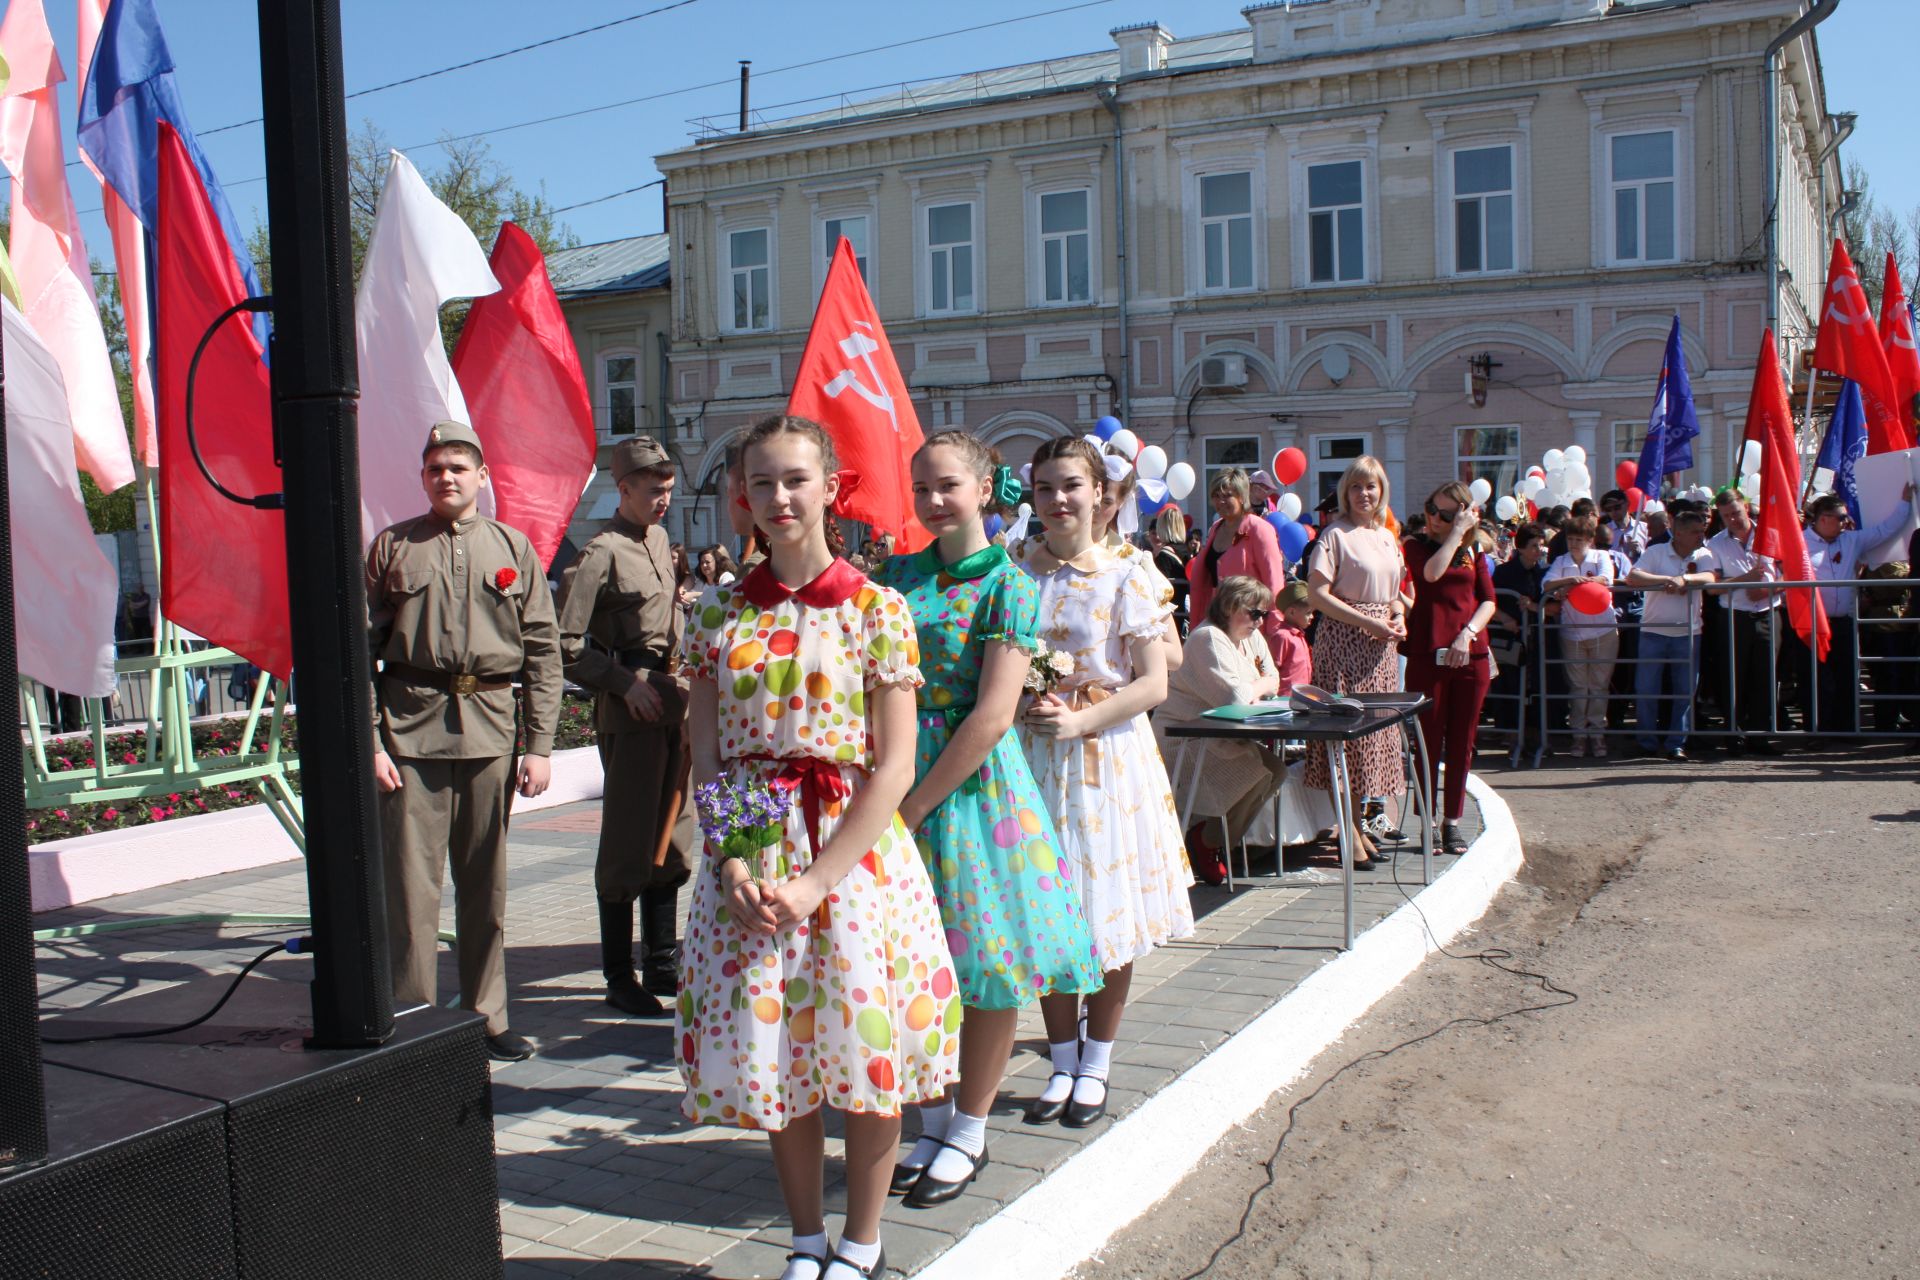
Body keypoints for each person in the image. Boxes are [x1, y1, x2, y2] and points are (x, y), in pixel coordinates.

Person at [678, 414, 956, 1280]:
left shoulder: (878, 609)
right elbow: (709, 751)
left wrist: (816, 884)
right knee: (781, 1054)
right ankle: (805, 1241)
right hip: (755, 846)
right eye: (762, 483)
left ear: (831, 488)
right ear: (744, 499)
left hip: (856, 856)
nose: (779, 497)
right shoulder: (717, 611)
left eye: (795, 478)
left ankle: (862, 1244)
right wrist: (734, 862)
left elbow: (896, 764)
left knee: (865, 1052)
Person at [873, 432, 1101, 1208]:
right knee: (909, 962)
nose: (934, 501)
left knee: (987, 962)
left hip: (967, 793)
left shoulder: (1009, 583)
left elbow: (995, 715)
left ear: (982, 489)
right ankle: (932, 1115)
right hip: (895, 776)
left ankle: (970, 1128)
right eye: (922, 487)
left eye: (948, 486)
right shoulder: (896, 576)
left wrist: (909, 806)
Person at [367, 420, 562, 1063]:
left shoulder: (513, 548)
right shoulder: (393, 547)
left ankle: (488, 1015)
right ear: (422, 478)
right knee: (411, 890)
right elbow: (357, 651)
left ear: (482, 476)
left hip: (489, 733)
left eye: (457, 466)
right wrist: (370, 741)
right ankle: (413, 1018)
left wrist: (538, 744)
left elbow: (542, 651)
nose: (445, 477)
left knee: (487, 886)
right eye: (434, 468)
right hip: (409, 735)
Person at [1015, 435, 1192, 1132]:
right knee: (1049, 914)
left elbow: (1154, 680)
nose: (1058, 500)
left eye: (1070, 486)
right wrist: (1030, 701)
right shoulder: (1017, 571)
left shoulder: (1130, 570)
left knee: (1105, 917)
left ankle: (1097, 1062)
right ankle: (1061, 1058)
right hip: (1034, 758)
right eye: (1045, 488)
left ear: (1099, 494)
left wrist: (1084, 722)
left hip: (1107, 758)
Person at [554, 436, 696, 1019]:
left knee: (673, 833)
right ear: (624, 489)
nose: (662, 499)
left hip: (672, 701)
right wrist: (623, 683)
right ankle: (619, 973)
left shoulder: (660, 540)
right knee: (628, 840)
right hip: (632, 706)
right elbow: (565, 646)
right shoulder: (602, 552)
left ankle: (662, 960)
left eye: (667, 488)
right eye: (651, 490)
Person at [1303, 456, 1407, 869]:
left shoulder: (1386, 537)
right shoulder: (1335, 535)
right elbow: (1317, 595)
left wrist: (1396, 614)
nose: (1365, 494)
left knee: (1372, 742)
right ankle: (1347, 829)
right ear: (1345, 492)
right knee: (1345, 742)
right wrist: (1368, 621)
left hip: (1380, 648)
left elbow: (1395, 592)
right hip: (1344, 642)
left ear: (1382, 491)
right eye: (1357, 487)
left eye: (1372, 487)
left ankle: (1360, 824)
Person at [1155, 576, 1290, 882]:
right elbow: (1236, 697)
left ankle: (1212, 839)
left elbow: (1274, 678)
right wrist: (1260, 686)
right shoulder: (1209, 639)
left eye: (1263, 614)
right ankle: (1206, 841)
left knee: (1276, 770)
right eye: (1253, 612)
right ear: (1230, 607)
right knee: (1258, 773)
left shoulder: (1250, 638)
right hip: (1185, 736)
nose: (1259, 621)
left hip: (1220, 733)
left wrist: (1258, 685)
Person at [1403, 482, 1496, 854]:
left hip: (1469, 655)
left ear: (1462, 514)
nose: (1434, 518)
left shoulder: (1475, 551)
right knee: (1428, 741)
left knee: (1463, 741)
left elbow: (1488, 601)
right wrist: (1454, 534)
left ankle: (1452, 821)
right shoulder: (1416, 545)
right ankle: (1428, 820)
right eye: (1431, 508)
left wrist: (1468, 635)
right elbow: (1430, 575)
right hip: (1429, 654)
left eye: (1444, 514)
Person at [1800, 485, 1915, 736]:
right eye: (1842, 517)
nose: (1846, 521)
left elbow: (1885, 530)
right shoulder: (1801, 542)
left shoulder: (1851, 540)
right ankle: (1817, 732)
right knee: (1817, 680)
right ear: (1824, 518)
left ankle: (1846, 729)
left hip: (1843, 622)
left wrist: (1904, 502)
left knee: (1846, 677)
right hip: (1812, 623)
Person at [1626, 508, 1718, 761]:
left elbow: (1710, 577)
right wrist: (1669, 579)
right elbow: (1633, 575)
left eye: (1702, 531)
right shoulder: (1656, 551)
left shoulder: (1703, 553)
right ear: (1678, 533)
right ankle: (1646, 741)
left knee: (1684, 691)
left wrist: (1685, 579)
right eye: (1695, 532)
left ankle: (1676, 742)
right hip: (1653, 632)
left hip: (1688, 633)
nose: (1701, 535)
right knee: (1646, 689)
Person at [1186, 467, 1290, 661]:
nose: (1220, 501)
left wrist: (1272, 633)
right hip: (1217, 624)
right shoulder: (1216, 529)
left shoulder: (1260, 529)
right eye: (1216, 496)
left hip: (1250, 628)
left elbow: (1274, 584)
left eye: (1227, 495)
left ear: (1242, 497)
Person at [1706, 488, 1781, 753]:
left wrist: (1769, 588)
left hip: (1768, 613)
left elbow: (1791, 573)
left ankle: (1760, 735)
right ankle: (1733, 734)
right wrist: (1744, 580)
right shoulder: (1715, 544)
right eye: (1726, 516)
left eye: (1736, 513)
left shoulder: (1771, 534)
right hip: (1734, 616)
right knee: (1733, 676)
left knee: (1765, 677)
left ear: (1746, 508)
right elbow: (1711, 587)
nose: (1733, 520)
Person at [1541, 515, 1618, 758]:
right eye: (1570, 539)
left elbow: (1605, 579)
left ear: (1590, 540)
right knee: (1578, 686)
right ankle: (1578, 735)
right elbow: (1547, 584)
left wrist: (1574, 587)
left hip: (1603, 628)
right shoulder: (1561, 561)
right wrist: (1567, 580)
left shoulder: (1601, 557)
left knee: (1599, 684)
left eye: (1579, 540)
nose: (1574, 544)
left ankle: (1597, 734)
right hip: (1572, 631)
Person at [1490, 522, 1552, 744]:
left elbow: (1553, 606)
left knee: (1536, 685)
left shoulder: (1544, 572)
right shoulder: (1503, 572)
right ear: (1522, 547)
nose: (1539, 551)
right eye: (1534, 546)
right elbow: (1489, 601)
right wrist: (1504, 618)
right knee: (1509, 685)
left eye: (1541, 546)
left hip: (1537, 638)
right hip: (1509, 639)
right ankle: (1510, 735)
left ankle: (1534, 734)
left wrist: (1534, 606)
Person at [1147, 507, 1192, 636]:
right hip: (1184, 613)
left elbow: (1158, 590)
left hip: (1170, 617)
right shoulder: (1186, 551)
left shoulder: (1164, 555)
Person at [1270, 580, 1315, 692]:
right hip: (1286, 698)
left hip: (1302, 695)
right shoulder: (1282, 636)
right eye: (1308, 613)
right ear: (1292, 612)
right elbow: (1273, 670)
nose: (1312, 617)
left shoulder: (1299, 635)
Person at [1600, 490, 1649, 560]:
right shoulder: (1605, 531)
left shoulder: (1644, 528)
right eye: (1608, 509)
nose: (1613, 512)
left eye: (1617, 507)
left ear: (1627, 504)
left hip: (1638, 569)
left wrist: (1639, 551)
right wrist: (1617, 546)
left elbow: (1653, 557)